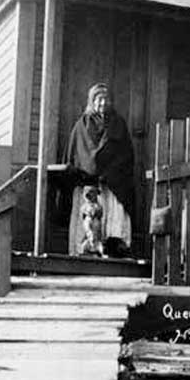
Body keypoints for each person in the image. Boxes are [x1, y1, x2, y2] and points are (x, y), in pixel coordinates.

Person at [65, 83, 135, 257]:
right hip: (88, 185)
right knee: (88, 215)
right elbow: (78, 152)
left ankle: (115, 250)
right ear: (92, 102)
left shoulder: (118, 123)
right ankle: (85, 249)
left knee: (114, 214)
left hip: (112, 183)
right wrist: (91, 170)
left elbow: (125, 154)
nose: (103, 103)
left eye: (106, 99)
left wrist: (109, 172)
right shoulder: (82, 124)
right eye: (98, 100)